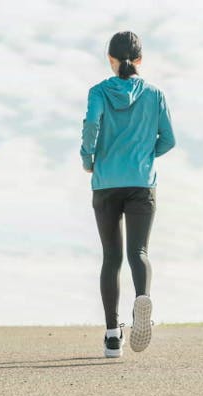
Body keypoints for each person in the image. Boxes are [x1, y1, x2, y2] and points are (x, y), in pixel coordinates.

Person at [79, 31, 176, 358]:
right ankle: (142, 300)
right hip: (140, 183)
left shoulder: (98, 92)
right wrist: (145, 156)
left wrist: (88, 158)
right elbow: (168, 140)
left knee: (111, 257)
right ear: (140, 60)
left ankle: (111, 338)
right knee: (139, 252)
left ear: (109, 59)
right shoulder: (155, 94)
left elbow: (92, 125)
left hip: (106, 183)